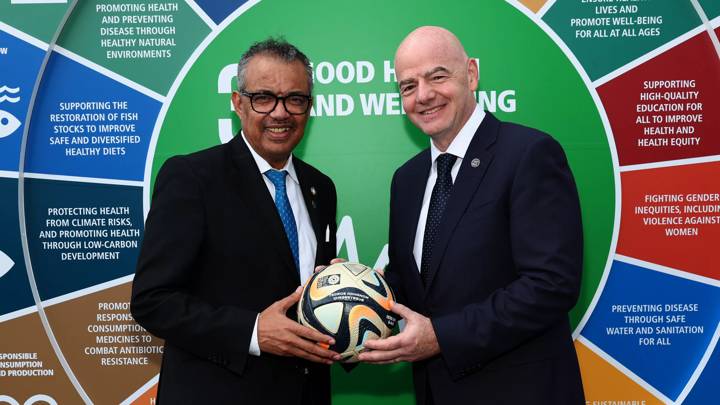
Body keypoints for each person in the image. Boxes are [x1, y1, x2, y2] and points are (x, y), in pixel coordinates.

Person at [359, 26, 585, 404]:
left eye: (437, 76)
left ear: (472, 74)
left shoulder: (529, 153)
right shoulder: (407, 179)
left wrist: (441, 337)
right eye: (408, 86)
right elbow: (412, 282)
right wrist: (351, 292)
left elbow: (551, 285)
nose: (424, 95)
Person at [131, 38, 340, 404]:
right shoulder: (192, 177)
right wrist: (254, 331)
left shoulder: (321, 187)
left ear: (309, 106)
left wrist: (340, 293)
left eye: (295, 99)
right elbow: (153, 300)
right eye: (263, 97)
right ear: (237, 103)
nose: (280, 112)